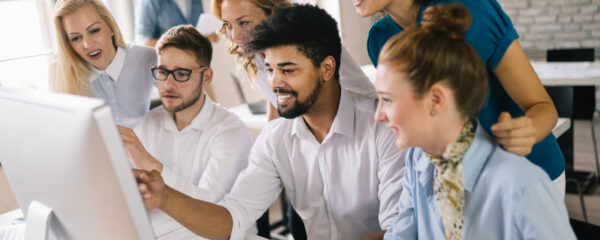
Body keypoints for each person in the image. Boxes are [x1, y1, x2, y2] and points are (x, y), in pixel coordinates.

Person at [134, 5, 405, 239]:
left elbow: (400, 232)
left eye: (287, 70)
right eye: (270, 70)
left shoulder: (384, 128)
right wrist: (165, 198)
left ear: (327, 69)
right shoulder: (277, 139)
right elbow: (233, 217)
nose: (274, 83)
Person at [373, 4, 575, 239]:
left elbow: (541, 106)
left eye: (387, 100)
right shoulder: (418, 161)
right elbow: (402, 233)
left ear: (436, 99)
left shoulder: (522, 187)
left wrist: (525, 132)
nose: (378, 115)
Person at [117, 25, 252, 237]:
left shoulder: (231, 131)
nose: (168, 84)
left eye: (181, 74)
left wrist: (147, 161)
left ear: (206, 77)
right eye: (162, 72)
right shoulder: (146, 123)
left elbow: (207, 207)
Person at [213, 0, 376, 120]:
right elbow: (276, 103)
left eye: (244, 22)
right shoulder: (256, 50)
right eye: (228, 25)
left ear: (273, 12)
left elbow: (353, 101)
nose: (235, 35)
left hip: (359, 123)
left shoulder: (308, 40)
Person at [53, 0, 156, 128]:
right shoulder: (65, 75)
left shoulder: (146, 58)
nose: (87, 45)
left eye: (94, 30)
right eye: (76, 38)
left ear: (110, 27)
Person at [134, 0, 204, 47]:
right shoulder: (150, 2)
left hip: (194, 63)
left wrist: (205, 37)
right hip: (166, 66)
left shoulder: (195, 1)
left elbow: (197, 30)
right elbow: (143, 42)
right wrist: (179, 43)